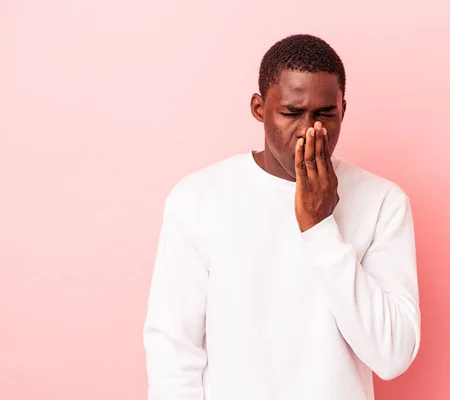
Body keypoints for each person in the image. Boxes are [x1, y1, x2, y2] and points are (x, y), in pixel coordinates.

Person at [143, 33, 421, 400]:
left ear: (343, 110)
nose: (309, 130)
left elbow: (392, 356)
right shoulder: (197, 198)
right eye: (291, 113)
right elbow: (173, 350)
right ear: (259, 108)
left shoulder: (383, 202)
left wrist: (320, 227)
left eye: (325, 114)